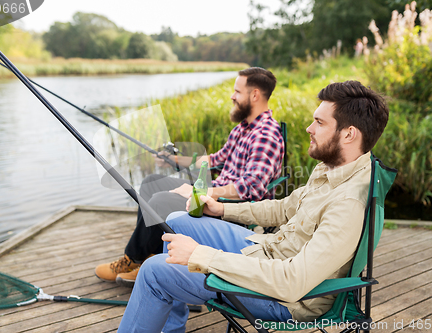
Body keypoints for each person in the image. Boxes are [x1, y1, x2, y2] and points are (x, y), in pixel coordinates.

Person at [117, 80, 390, 333]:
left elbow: (292, 282)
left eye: (319, 122)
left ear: (348, 134)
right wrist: (223, 209)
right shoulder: (331, 169)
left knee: (153, 270)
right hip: (268, 250)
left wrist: (203, 255)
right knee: (177, 220)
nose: (309, 128)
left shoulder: (348, 203)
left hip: (284, 299)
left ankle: (163, 291)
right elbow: (284, 209)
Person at [95, 67, 285, 287]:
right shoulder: (243, 129)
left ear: (254, 95)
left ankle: (132, 259)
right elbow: (214, 159)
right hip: (212, 193)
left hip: (227, 207)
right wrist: (175, 161)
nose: (232, 96)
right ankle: (150, 257)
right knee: (150, 183)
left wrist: (202, 192)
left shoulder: (265, 134)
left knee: (159, 201)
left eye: (237, 92)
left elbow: (251, 188)